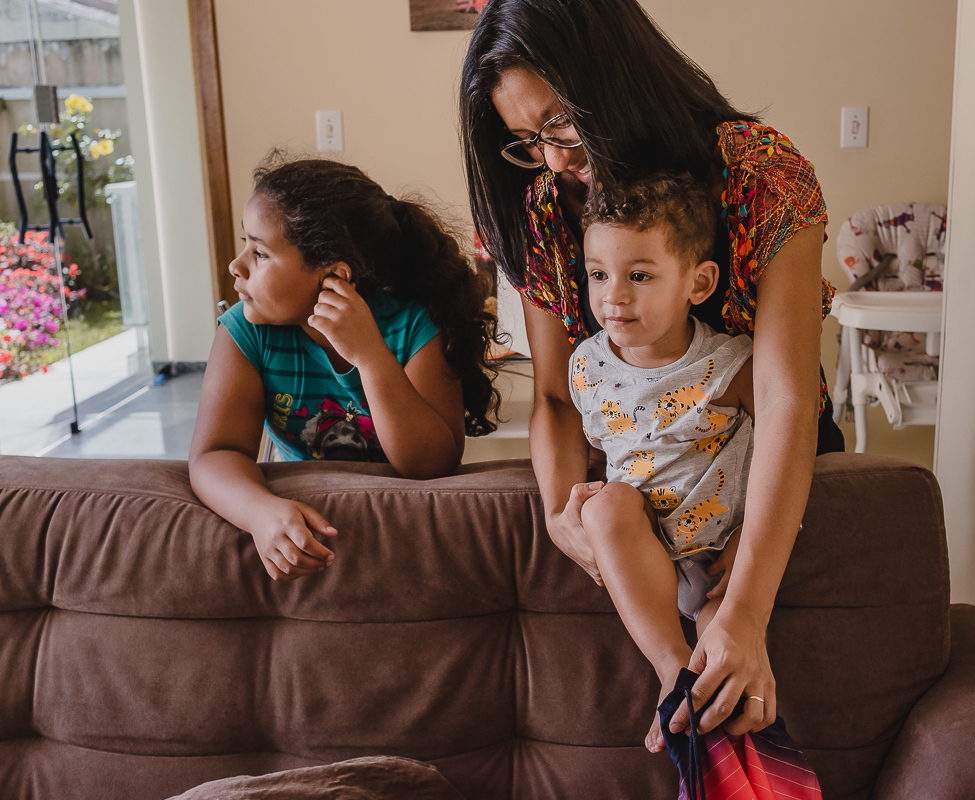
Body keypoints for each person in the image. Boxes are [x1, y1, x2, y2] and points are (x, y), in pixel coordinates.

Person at [460, 0, 845, 744]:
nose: (554, 160)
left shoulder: (759, 172)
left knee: (743, 671)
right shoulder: (543, 205)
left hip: (758, 446)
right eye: (526, 142)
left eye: (562, 124)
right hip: (643, 465)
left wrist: (749, 607)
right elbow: (551, 394)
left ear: (614, 78)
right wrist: (558, 511)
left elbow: (787, 398)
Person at [189, 156, 499, 582]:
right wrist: (260, 513)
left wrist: (370, 357)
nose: (236, 266)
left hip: (399, 539)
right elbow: (213, 455)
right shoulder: (246, 331)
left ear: (334, 276)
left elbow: (431, 465)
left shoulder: (412, 327)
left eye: (259, 252)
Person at [571, 173, 757, 752]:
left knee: (725, 674)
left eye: (640, 275)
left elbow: (786, 451)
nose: (613, 296)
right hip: (645, 549)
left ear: (697, 283)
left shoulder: (733, 364)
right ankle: (670, 670)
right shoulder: (586, 368)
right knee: (605, 508)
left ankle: (708, 718)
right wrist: (586, 502)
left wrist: (748, 539)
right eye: (599, 274)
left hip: (720, 554)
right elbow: (607, 457)